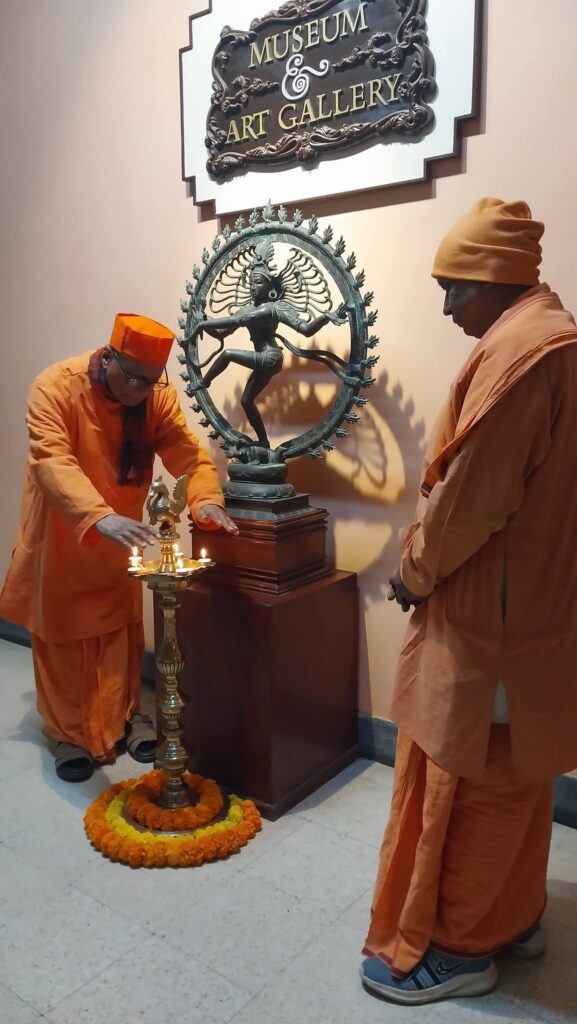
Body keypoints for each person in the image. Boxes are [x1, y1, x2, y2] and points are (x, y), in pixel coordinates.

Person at [360, 198, 577, 1004]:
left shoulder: (523, 355)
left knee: (469, 784)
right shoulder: (550, 338)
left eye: (456, 288)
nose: (448, 306)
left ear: (498, 280)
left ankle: (457, 944)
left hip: (490, 624)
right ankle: (513, 915)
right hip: (535, 618)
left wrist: (412, 574)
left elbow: (466, 505)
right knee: (515, 782)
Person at [0, 313, 238, 782]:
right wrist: (98, 516)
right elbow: (52, 460)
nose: (140, 391)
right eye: (132, 378)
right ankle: (69, 734)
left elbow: (187, 454)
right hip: (67, 532)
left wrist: (205, 500)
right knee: (66, 637)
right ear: (107, 357)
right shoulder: (56, 386)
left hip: (120, 537)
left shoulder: (154, 396)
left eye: (151, 382)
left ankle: (126, 717)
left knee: (119, 634)